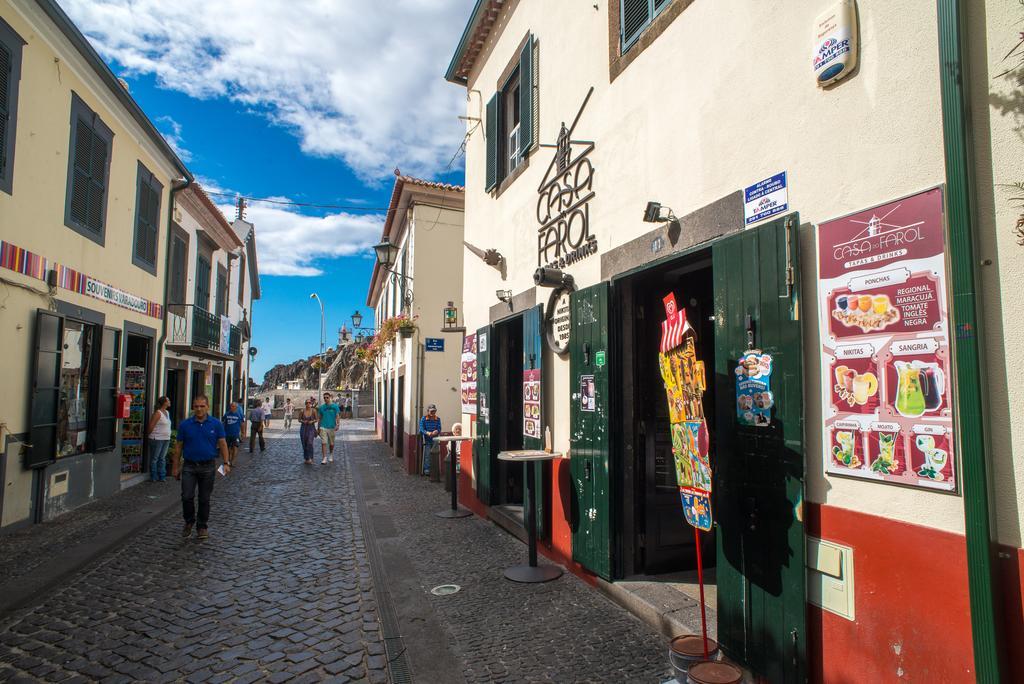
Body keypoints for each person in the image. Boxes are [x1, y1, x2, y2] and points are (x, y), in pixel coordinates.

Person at [172, 395, 229, 540]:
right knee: (186, 496)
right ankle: (189, 521)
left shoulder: (216, 424)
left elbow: (222, 443)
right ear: (193, 407)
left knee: (204, 498)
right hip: (189, 466)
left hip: (208, 466)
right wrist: (175, 466)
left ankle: (202, 526)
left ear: (207, 407)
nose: (199, 409)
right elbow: (178, 447)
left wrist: (226, 463)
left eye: (202, 406)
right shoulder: (185, 425)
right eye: (196, 406)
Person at [146, 396, 172, 482]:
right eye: (168, 400)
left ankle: (162, 476)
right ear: (164, 402)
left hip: (166, 439)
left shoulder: (167, 412)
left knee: (162, 458)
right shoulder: (158, 413)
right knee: (155, 458)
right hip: (156, 438)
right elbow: (151, 426)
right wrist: (149, 436)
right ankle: (154, 476)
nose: (169, 401)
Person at [317, 392, 340, 464]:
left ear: (330, 397)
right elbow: (319, 418)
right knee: (324, 442)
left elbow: (337, 416)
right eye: (324, 398)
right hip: (323, 427)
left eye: (327, 397)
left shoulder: (335, 406)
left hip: (331, 427)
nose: (326, 399)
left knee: (331, 444)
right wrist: (318, 428)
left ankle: (331, 454)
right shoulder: (321, 408)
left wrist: (337, 425)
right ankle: (324, 458)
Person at [419, 404, 442, 476]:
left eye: (434, 411)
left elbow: (439, 428)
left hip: (435, 439)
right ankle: (427, 469)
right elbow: (421, 429)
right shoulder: (423, 419)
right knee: (427, 455)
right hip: (427, 440)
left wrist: (437, 431)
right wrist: (427, 432)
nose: (433, 413)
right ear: (428, 411)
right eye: (431, 411)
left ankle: (435, 469)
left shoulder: (438, 419)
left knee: (436, 454)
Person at [222, 400, 244, 466]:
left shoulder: (239, 415)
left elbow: (242, 424)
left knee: (235, 447)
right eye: (231, 406)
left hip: (235, 434)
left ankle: (233, 460)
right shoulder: (227, 414)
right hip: (227, 434)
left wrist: (242, 432)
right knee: (227, 448)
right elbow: (223, 422)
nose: (232, 407)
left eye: (234, 406)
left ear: (236, 407)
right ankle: (228, 459)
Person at [298, 398, 318, 465]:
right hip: (303, 428)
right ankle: (306, 458)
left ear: (311, 403)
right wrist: (303, 421)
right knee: (304, 443)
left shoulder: (314, 411)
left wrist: (312, 421)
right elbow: (299, 419)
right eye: (307, 403)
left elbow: (316, 419)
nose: (308, 404)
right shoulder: (302, 411)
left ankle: (311, 458)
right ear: (305, 404)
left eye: (309, 403)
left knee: (310, 443)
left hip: (311, 428)